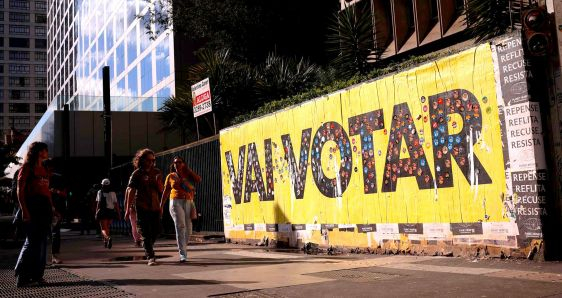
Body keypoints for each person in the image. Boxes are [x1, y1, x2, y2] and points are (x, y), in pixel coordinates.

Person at [14, 142, 55, 287]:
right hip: (32, 207)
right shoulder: (26, 168)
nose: (47, 152)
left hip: (44, 208)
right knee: (31, 241)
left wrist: (52, 207)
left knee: (42, 242)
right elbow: (20, 190)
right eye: (45, 150)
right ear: (39, 152)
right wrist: (25, 210)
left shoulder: (43, 169)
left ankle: (37, 275)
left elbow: (47, 190)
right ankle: (21, 274)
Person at [125, 149, 163, 266]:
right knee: (145, 232)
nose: (151, 162)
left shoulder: (156, 172)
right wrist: (127, 209)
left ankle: (147, 245)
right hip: (142, 206)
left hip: (155, 206)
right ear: (142, 160)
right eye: (148, 160)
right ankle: (151, 256)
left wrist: (158, 183)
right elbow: (131, 191)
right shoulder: (136, 174)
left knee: (156, 230)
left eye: (153, 160)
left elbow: (161, 190)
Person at [161, 156, 201, 263]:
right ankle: (183, 254)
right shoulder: (171, 176)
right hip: (175, 202)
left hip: (188, 201)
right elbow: (166, 191)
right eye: (175, 162)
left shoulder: (188, 174)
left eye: (179, 162)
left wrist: (189, 171)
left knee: (189, 229)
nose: (177, 164)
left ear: (183, 163)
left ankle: (183, 247)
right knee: (180, 226)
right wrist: (161, 205)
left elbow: (198, 179)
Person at [44, 159, 68, 265]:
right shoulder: (39, 177)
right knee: (43, 233)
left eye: (51, 169)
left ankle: (54, 255)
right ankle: (41, 257)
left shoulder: (58, 178)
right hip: (43, 209)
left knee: (55, 233)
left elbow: (65, 194)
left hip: (56, 210)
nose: (49, 172)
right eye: (47, 169)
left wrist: (56, 191)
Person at [95, 179, 121, 249]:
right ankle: (105, 241)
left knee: (103, 228)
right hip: (111, 212)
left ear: (102, 185)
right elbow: (116, 204)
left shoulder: (100, 192)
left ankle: (107, 238)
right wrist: (119, 214)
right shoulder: (113, 193)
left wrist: (96, 212)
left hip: (103, 212)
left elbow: (98, 204)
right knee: (107, 227)